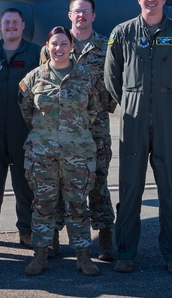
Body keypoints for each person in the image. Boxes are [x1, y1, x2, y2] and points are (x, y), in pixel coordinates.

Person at [104, 0, 172, 274]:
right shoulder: (122, 32)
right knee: (130, 187)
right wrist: (134, 100)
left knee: (169, 186)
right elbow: (111, 76)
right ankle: (125, 253)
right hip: (132, 115)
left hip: (167, 114)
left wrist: (168, 102)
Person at [20, 26, 102, 277]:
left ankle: (83, 257)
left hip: (77, 153)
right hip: (42, 155)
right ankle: (40, 255)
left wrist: (72, 132)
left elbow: (93, 109)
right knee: (43, 205)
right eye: (54, 43)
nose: (59, 48)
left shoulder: (86, 77)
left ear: (71, 47)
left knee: (78, 205)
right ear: (47, 46)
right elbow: (27, 112)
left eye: (64, 43)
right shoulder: (33, 78)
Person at [39, 0, 115, 260]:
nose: (81, 15)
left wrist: (97, 113)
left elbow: (114, 86)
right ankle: (53, 238)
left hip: (95, 129)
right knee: (57, 182)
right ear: (69, 14)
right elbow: (41, 85)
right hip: (60, 130)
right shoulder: (54, 44)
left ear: (93, 15)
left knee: (98, 182)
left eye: (86, 11)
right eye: (76, 11)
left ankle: (105, 236)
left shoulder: (106, 47)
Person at [0, 8, 40, 249]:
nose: (11, 26)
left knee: (25, 184)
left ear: (23, 25)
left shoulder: (35, 53)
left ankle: (27, 230)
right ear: (0, 26)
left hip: (23, 128)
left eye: (15, 22)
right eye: (6, 22)